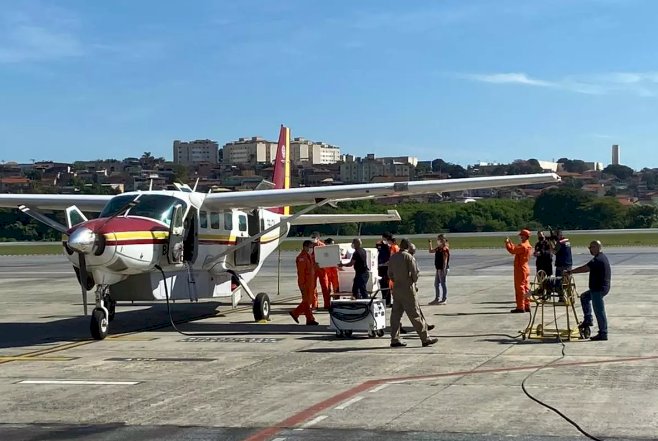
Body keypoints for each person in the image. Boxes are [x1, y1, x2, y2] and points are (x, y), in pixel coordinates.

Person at [387, 239, 438, 348]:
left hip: (397, 288)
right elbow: (415, 273)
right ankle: (425, 338)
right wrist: (413, 282)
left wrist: (396, 280)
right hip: (407, 288)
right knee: (415, 314)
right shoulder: (408, 257)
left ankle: (394, 339)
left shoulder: (393, 257)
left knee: (395, 315)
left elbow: (389, 274)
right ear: (408, 246)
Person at [564, 241, 611, 341]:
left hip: (598, 289)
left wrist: (570, 272)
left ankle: (603, 333)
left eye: (592, 247)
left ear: (598, 247)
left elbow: (585, 268)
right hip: (598, 288)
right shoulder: (599, 258)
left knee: (599, 311)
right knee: (584, 297)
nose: (590, 249)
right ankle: (588, 320)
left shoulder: (598, 260)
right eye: (589, 247)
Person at [289, 240, 319, 326]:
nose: (311, 249)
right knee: (306, 302)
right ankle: (307, 318)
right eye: (310, 247)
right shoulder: (302, 258)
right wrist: (302, 285)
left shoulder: (308, 256)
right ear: (305, 247)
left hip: (310, 283)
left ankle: (299, 315)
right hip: (305, 284)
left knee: (308, 301)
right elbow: (301, 273)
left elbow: (310, 269)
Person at [505, 229, 533, 313]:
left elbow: (513, 250)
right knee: (526, 287)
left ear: (525, 236)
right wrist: (511, 243)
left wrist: (507, 243)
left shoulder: (523, 246)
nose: (520, 237)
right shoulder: (527, 245)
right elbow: (516, 248)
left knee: (519, 288)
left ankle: (520, 307)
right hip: (526, 267)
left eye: (521, 235)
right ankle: (527, 305)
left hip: (520, 268)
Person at [310, 231, 331, 309]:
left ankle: (327, 304)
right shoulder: (310, 246)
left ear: (318, 238)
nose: (313, 239)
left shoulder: (322, 246)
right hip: (313, 269)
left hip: (322, 269)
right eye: (312, 237)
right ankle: (314, 304)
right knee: (313, 287)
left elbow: (327, 257)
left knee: (325, 287)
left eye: (314, 237)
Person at [428, 234, 449, 305]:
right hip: (438, 268)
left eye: (439, 239)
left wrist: (444, 269)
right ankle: (437, 298)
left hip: (442, 268)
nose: (438, 241)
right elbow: (431, 251)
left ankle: (444, 299)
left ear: (443, 240)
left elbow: (445, 260)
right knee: (436, 284)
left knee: (443, 284)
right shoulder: (438, 248)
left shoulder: (444, 249)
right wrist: (430, 243)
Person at [375, 232, 393, 306]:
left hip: (386, 268)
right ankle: (384, 300)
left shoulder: (389, 246)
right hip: (380, 267)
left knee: (387, 284)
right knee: (382, 284)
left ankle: (387, 301)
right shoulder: (379, 245)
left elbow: (391, 258)